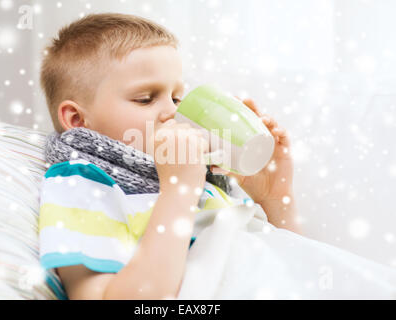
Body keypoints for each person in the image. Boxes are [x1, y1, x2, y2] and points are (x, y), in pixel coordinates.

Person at [38, 12, 302, 300]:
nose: (173, 112)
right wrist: (179, 190)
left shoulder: (205, 177)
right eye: (146, 98)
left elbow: (293, 269)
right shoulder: (81, 185)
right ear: (76, 119)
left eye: (177, 98)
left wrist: (275, 197)